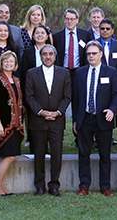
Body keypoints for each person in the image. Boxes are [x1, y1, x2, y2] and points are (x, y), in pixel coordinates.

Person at [72, 40, 117, 196]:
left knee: (105, 155)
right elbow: (76, 98)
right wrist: (75, 120)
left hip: (103, 119)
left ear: (101, 54)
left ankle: (105, 186)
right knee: (83, 154)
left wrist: (113, 110)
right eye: (88, 54)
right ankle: (84, 185)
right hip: (85, 118)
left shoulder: (111, 72)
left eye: (94, 53)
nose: (91, 56)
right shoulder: (80, 73)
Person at [25, 44, 71, 196]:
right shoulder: (31, 73)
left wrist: (58, 112)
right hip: (38, 121)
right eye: (44, 54)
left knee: (57, 154)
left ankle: (54, 185)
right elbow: (29, 97)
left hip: (57, 121)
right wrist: (41, 112)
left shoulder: (64, 73)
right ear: (40, 56)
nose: (48, 56)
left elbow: (67, 96)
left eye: (51, 53)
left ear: (55, 56)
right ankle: (39, 185)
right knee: (39, 154)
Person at [0, 52, 25, 196]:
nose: (8, 64)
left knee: (8, 155)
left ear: (15, 64)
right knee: (8, 156)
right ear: (1, 63)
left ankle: (1, 186)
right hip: (3, 124)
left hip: (16, 124)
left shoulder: (16, 80)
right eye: (5, 61)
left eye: (11, 61)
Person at [53, 8, 93, 76]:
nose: (69, 21)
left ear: (77, 20)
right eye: (67, 19)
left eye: (72, 19)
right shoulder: (57, 36)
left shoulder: (85, 35)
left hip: (80, 71)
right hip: (62, 71)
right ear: (64, 20)